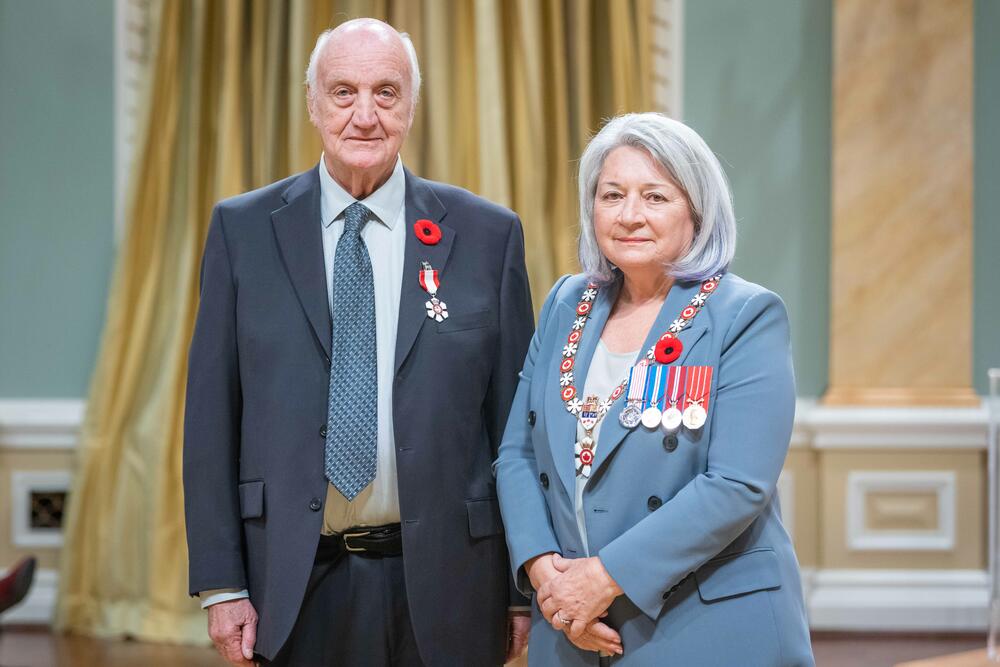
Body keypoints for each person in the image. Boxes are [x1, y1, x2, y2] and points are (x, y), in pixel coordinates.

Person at [183, 18, 533, 666]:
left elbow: (516, 430)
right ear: (313, 104)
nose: (365, 115)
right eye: (343, 92)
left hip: (452, 585)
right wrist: (222, 583)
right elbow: (209, 423)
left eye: (386, 92)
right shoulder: (242, 231)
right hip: (293, 584)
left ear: (411, 106)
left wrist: (521, 589)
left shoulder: (488, 237)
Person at [495, 113, 814, 666]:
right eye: (611, 195)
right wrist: (546, 572)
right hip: (571, 623)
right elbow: (518, 453)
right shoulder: (566, 303)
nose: (629, 215)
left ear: (696, 209)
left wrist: (604, 578)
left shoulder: (744, 315)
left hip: (703, 624)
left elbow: (736, 484)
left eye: (655, 197)